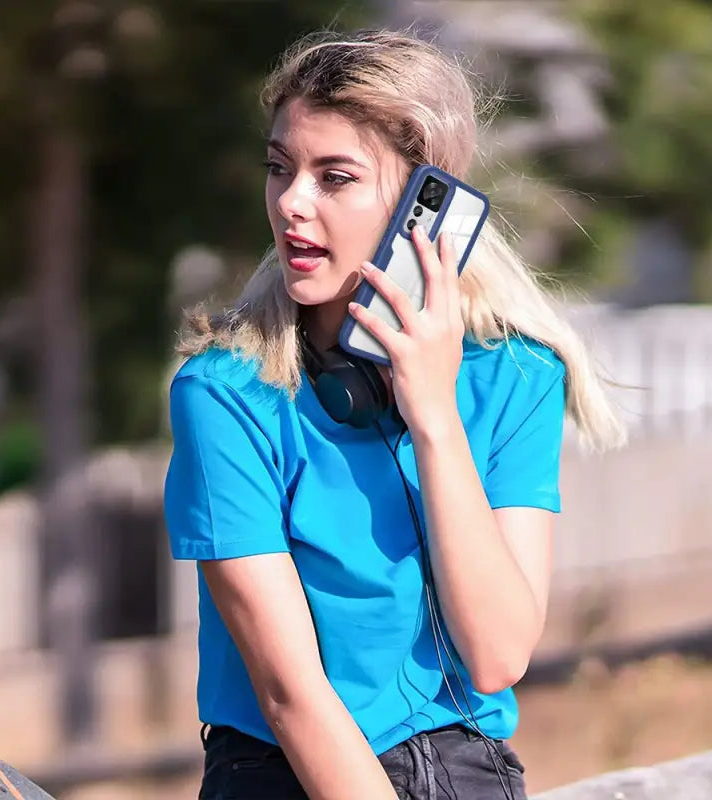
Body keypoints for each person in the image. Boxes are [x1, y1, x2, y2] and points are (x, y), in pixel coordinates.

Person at [164, 28, 626, 800]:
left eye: (334, 177)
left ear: (423, 208)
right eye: (280, 169)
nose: (292, 205)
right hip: (284, 774)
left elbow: (497, 653)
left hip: (468, 769)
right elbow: (291, 696)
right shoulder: (224, 395)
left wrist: (435, 416)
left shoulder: (517, 378)